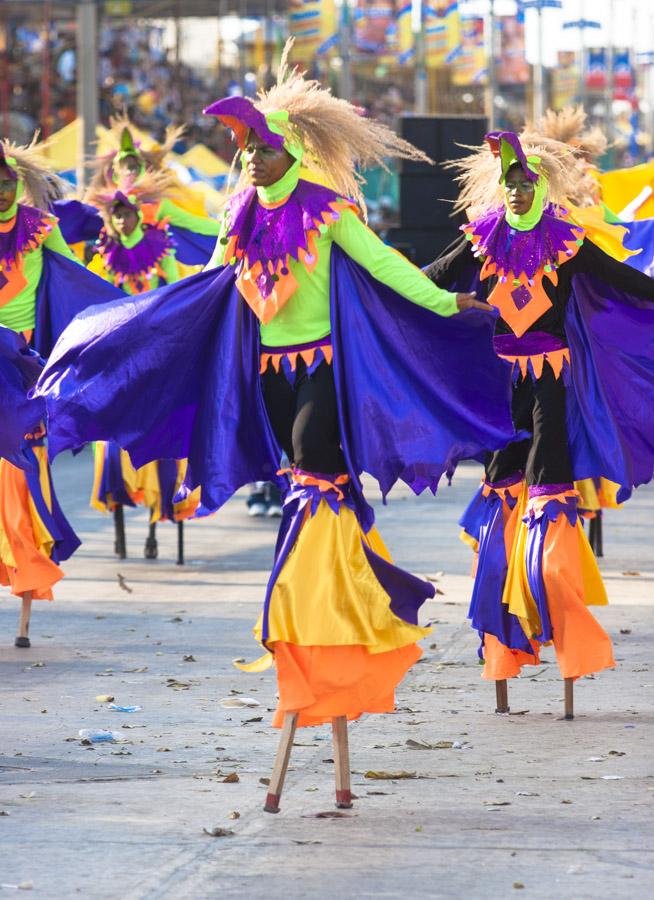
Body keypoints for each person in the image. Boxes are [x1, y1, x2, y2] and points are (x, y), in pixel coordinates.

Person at [34, 45, 518, 807]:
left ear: (288, 149)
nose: (248, 160)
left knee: (316, 475)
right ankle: (331, 593)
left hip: (323, 370)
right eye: (244, 149)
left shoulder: (328, 211)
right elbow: (211, 283)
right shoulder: (239, 215)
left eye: (260, 147)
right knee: (300, 481)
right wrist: (134, 323)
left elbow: (386, 267)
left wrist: (449, 304)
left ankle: (323, 600)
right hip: (263, 376)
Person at [427, 131, 654, 715]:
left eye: (528, 183)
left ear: (542, 186)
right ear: (499, 187)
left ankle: (566, 634)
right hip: (498, 390)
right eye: (511, 182)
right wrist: (365, 285)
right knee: (501, 500)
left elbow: (627, 283)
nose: (519, 191)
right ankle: (502, 646)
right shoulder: (480, 242)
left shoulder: (567, 242)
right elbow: (427, 279)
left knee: (550, 492)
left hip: (551, 386)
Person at [85, 172, 200, 560]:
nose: (121, 219)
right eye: (114, 213)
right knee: (112, 443)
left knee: (161, 441)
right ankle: (120, 513)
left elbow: (173, 294)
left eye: (126, 212)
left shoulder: (161, 249)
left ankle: (156, 521)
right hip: (117, 360)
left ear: (138, 214)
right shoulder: (101, 256)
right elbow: (91, 299)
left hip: (155, 357)